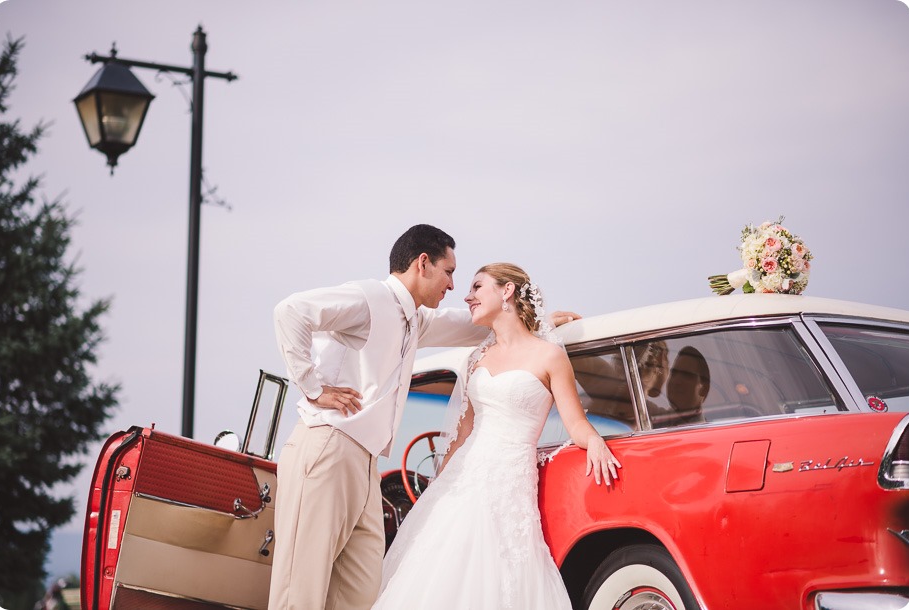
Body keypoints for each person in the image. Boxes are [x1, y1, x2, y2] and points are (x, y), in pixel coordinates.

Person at [372, 263, 622, 610]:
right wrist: (434, 492)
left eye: (477, 287)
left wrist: (594, 440)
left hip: (509, 482)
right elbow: (462, 434)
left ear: (507, 291)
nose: (466, 295)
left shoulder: (549, 355)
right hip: (459, 483)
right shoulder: (477, 357)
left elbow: (576, 422)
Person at [268, 224, 490, 610]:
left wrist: (532, 320)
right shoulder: (370, 297)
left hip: (365, 463)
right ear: (423, 263)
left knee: (361, 592)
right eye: (449, 272)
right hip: (327, 448)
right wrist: (314, 387)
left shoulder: (414, 319)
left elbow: (464, 326)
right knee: (299, 591)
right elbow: (290, 311)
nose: (453, 285)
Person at [665, 345, 710, 424]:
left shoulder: (705, 434)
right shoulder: (653, 420)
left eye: (686, 376)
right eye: (674, 373)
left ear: (704, 389)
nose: (676, 381)